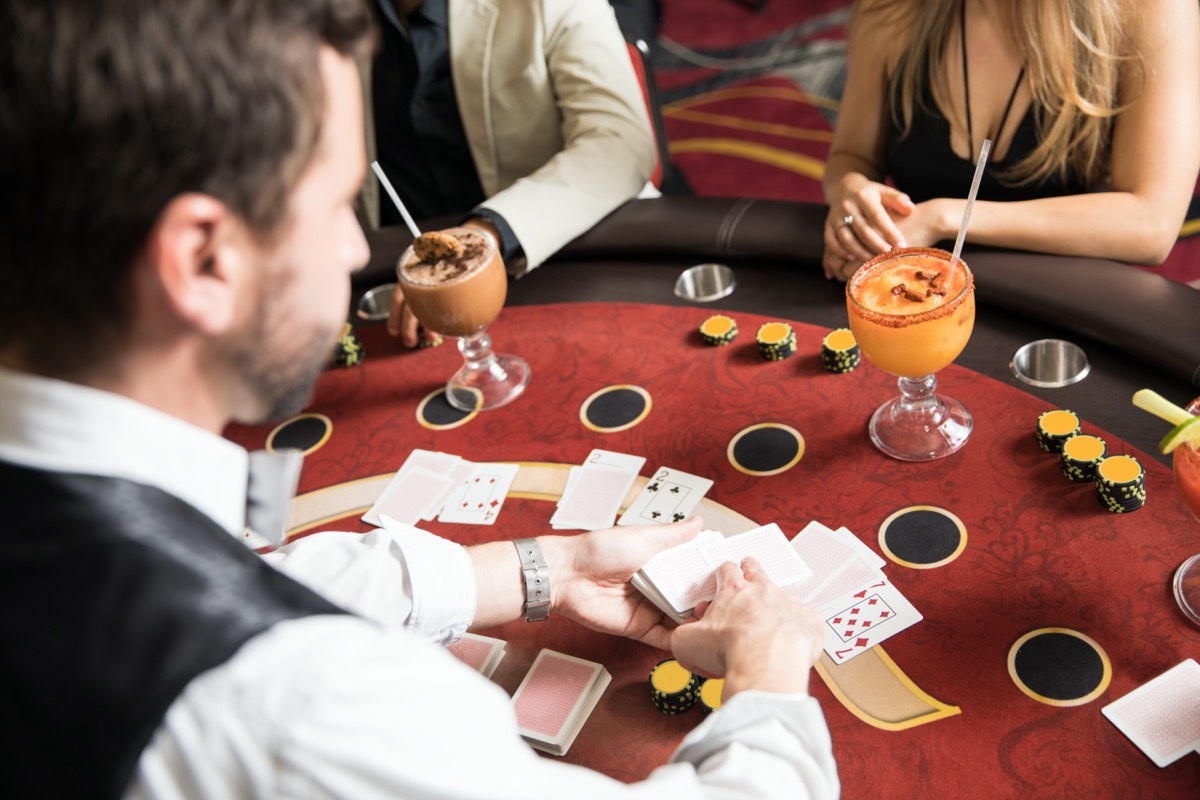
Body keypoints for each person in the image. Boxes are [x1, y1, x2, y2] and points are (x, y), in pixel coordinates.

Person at [0, 1, 839, 798]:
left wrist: (547, 568)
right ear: (204, 261)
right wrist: (769, 670)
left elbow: (228, 573)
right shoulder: (306, 706)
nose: (357, 247)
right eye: (332, 206)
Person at [822, 0, 1200, 282]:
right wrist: (852, 194)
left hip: (1070, 305)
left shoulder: (1152, 8)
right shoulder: (891, 9)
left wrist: (944, 217)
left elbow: (1152, 223)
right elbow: (852, 157)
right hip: (922, 293)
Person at [362, 0, 660, 346]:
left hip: (556, 255)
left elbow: (620, 144)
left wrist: (487, 234)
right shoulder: (305, 18)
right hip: (400, 296)